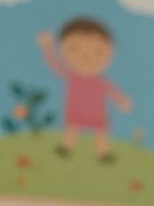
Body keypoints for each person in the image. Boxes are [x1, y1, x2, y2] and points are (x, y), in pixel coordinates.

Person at [38, 18, 132, 161]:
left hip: (97, 113)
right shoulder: (71, 76)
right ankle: (67, 147)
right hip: (75, 110)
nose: (86, 57)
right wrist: (47, 47)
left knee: (101, 132)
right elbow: (54, 64)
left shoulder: (101, 82)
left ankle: (103, 153)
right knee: (72, 128)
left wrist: (121, 100)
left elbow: (113, 92)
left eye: (98, 52)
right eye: (74, 49)